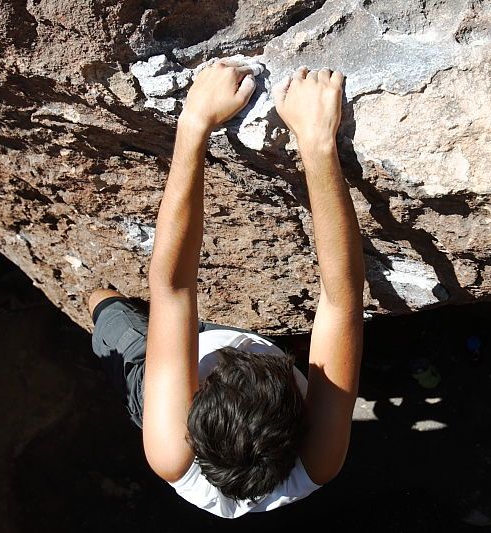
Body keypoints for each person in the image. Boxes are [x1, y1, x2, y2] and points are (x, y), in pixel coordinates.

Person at [87, 61, 365, 518]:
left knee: (104, 304)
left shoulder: (170, 447)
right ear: (302, 418)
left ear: (192, 417)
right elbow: (342, 298)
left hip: (154, 387)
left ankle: (99, 305)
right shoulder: (320, 458)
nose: (233, 352)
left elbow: (174, 287)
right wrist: (317, 145)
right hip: (221, 381)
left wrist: (194, 122)